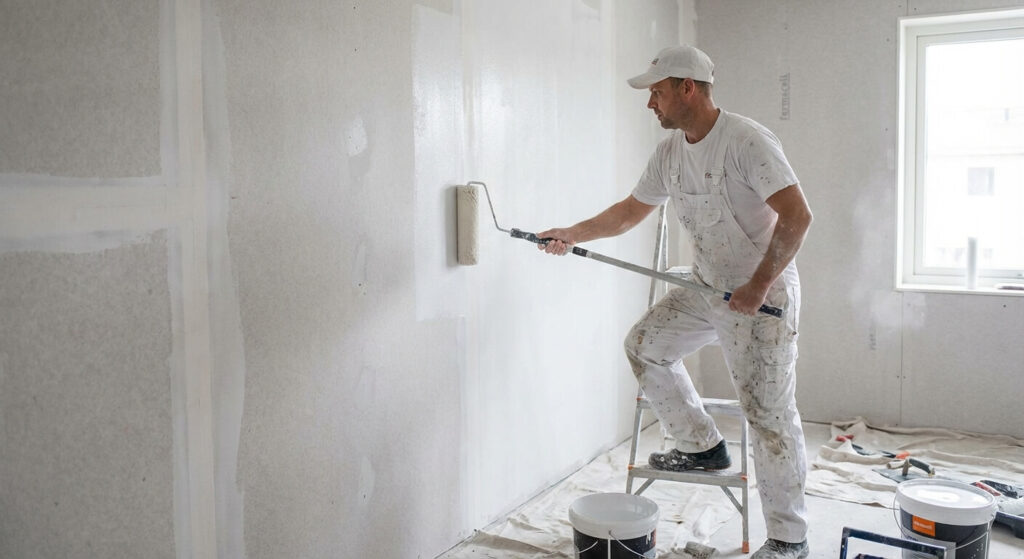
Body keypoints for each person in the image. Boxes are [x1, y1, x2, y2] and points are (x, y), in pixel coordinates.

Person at [537, 46, 813, 559]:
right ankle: (702, 446)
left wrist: (757, 285)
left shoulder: (746, 141)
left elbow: (798, 216)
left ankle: (789, 539)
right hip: (707, 287)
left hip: (762, 296)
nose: (651, 104)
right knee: (645, 346)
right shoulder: (670, 153)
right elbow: (629, 211)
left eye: (657, 93)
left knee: (768, 414)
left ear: (688, 88)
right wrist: (572, 234)